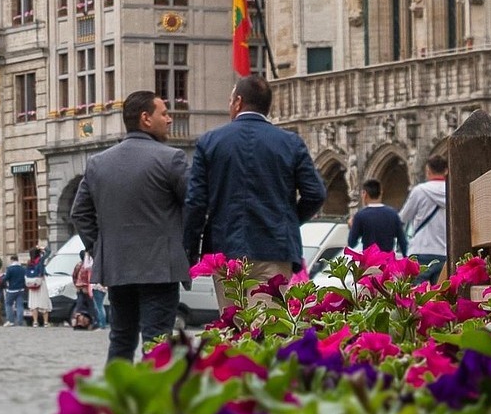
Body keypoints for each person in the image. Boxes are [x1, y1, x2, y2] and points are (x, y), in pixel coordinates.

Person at [183, 74, 326, 301]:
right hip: (274, 249)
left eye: (230, 101)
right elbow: (315, 193)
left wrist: (190, 250)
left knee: (232, 319)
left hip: (226, 249)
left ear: (238, 102)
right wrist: (286, 221)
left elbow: (196, 203)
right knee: (268, 321)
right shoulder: (290, 143)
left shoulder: (210, 142)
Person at [73, 90, 192, 359]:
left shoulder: (98, 163)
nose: (169, 119)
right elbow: (195, 206)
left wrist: (101, 248)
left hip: (117, 268)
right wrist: (186, 249)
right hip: (161, 269)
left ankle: (117, 387)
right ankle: (153, 386)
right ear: (145, 118)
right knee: (157, 341)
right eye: (164, 113)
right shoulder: (171, 158)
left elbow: (80, 213)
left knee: (121, 339)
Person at [398, 155, 450, 283]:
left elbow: (403, 218)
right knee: (440, 293)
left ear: (428, 170)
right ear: (446, 171)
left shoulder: (419, 191)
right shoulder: (452, 191)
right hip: (445, 252)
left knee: (416, 293)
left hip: (420, 251)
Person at [347, 179, 406, 254]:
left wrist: (352, 227)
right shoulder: (393, 214)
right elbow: (402, 241)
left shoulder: (360, 216)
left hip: (369, 259)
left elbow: (352, 243)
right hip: (387, 258)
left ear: (365, 193)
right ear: (381, 193)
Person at [2, 255, 28, 326]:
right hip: (21, 289)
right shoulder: (22, 268)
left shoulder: (10, 269)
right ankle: (20, 321)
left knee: (8, 304)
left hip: (12, 289)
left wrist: (1, 279)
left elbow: (6, 278)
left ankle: (11, 321)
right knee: (19, 305)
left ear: (12, 260)